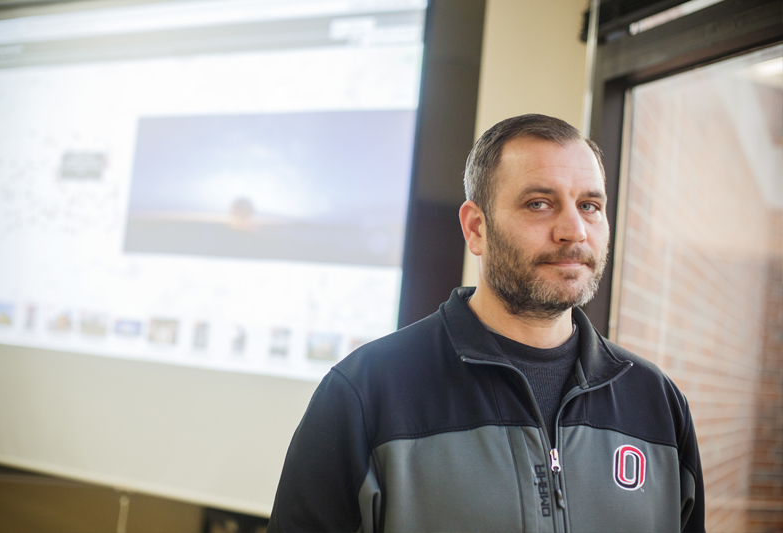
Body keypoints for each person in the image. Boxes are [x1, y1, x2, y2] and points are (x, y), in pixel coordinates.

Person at [268, 114, 705, 532]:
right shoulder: (366, 393)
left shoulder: (658, 405)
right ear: (476, 228)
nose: (574, 230)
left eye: (590, 205)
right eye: (539, 203)